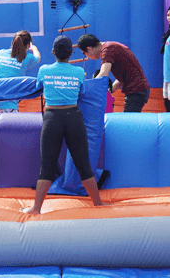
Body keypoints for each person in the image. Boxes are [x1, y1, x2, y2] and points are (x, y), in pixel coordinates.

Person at [22, 35, 107, 215]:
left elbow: (39, 85)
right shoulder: (77, 72)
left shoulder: (44, 70)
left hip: (53, 117)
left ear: (53, 52)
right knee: (83, 164)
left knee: (47, 165)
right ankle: (98, 203)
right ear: (71, 53)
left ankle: (36, 208)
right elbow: (82, 91)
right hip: (73, 117)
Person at [77, 34, 150, 113]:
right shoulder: (110, 47)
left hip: (137, 91)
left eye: (84, 53)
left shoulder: (108, 49)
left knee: (129, 121)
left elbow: (104, 74)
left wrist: (85, 89)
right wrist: (109, 91)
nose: (87, 57)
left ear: (89, 49)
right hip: (138, 90)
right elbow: (121, 79)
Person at [0, 30, 41, 113]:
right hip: (7, 104)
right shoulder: (27, 58)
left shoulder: (1, 53)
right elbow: (38, 58)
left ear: (13, 42)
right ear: (28, 45)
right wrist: (34, 49)